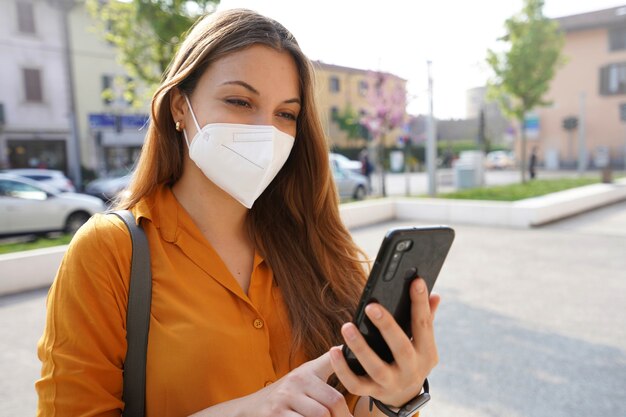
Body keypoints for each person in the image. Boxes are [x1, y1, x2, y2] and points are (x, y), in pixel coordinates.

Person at [36, 9, 440, 417]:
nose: (265, 131)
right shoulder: (110, 252)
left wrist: (396, 398)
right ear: (180, 106)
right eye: (239, 101)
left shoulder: (320, 250)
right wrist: (253, 408)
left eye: (286, 114)